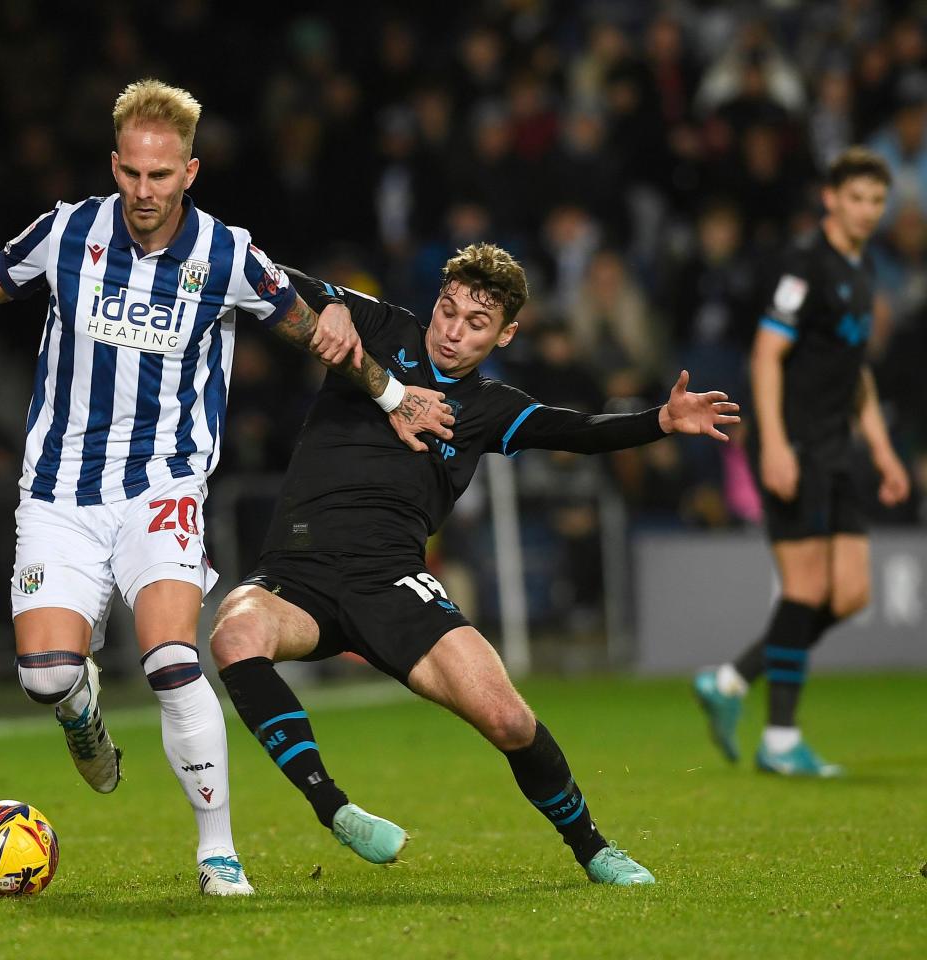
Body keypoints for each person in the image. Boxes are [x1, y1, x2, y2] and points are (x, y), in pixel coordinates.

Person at [0, 79, 452, 896]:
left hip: (163, 489)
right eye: (132, 175)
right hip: (59, 493)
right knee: (45, 675)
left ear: (192, 171)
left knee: (171, 658)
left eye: (162, 176)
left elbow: (313, 332)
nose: (145, 193)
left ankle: (217, 854)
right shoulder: (66, 231)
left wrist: (394, 396)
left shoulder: (227, 255)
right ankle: (80, 715)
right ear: (114, 165)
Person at [210, 245, 739, 885]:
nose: (452, 332)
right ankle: (334, 808)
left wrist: (659, 420)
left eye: (475, 323)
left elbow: (580, 430)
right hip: (298, 570)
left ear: (506, 333)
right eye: (447, 310)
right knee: (234, 634)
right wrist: (327, 305)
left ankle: (594, 849)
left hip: (393, 582)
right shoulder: (382, 326)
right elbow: (262, 270)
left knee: (510, 719)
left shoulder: (491, 407)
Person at [693, 147, 911, 777]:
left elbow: (855, 371)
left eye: (877, 200)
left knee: (850, 594)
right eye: (857, 198)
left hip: (837, 448)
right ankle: (781, 740)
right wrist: (778, 444)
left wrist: (884, 449)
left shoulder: (862, 266)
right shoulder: (804, 265)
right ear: (830, 199)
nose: (868, 211)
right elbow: (766, 355)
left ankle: (733, 678)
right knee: (807, 588)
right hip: (796, 445)